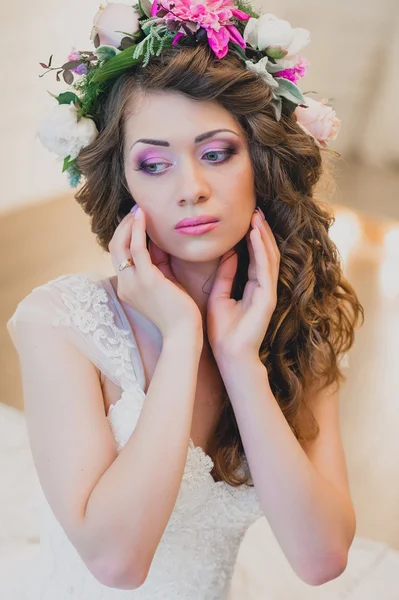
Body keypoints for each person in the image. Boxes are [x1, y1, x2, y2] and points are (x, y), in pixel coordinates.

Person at [4, 1, 364, 598]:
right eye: (154, 163)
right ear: (124, 184)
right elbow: (117, 565)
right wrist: (180, 340)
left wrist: (241, 363)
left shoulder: (299, 321)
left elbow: (321, 557)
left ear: (262, 161)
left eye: (217, 153)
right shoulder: (58, 324)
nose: (190, 189)